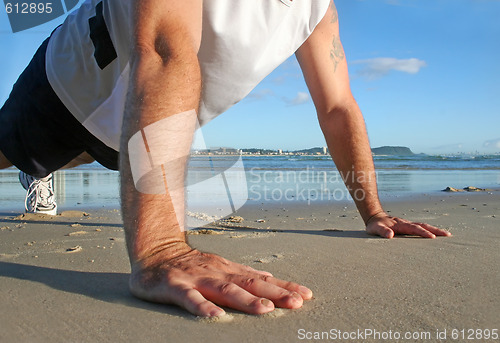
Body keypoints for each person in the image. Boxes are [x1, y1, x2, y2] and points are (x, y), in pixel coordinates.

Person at [0, 0, 451, 317]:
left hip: (151, 124)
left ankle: (42, 173)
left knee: (83, 156)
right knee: (17, 153)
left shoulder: (320, 10)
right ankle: (33, 169)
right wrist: (160, 251)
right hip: (72, 87)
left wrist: (373, 210)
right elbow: (162, 50)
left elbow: (337, 107)